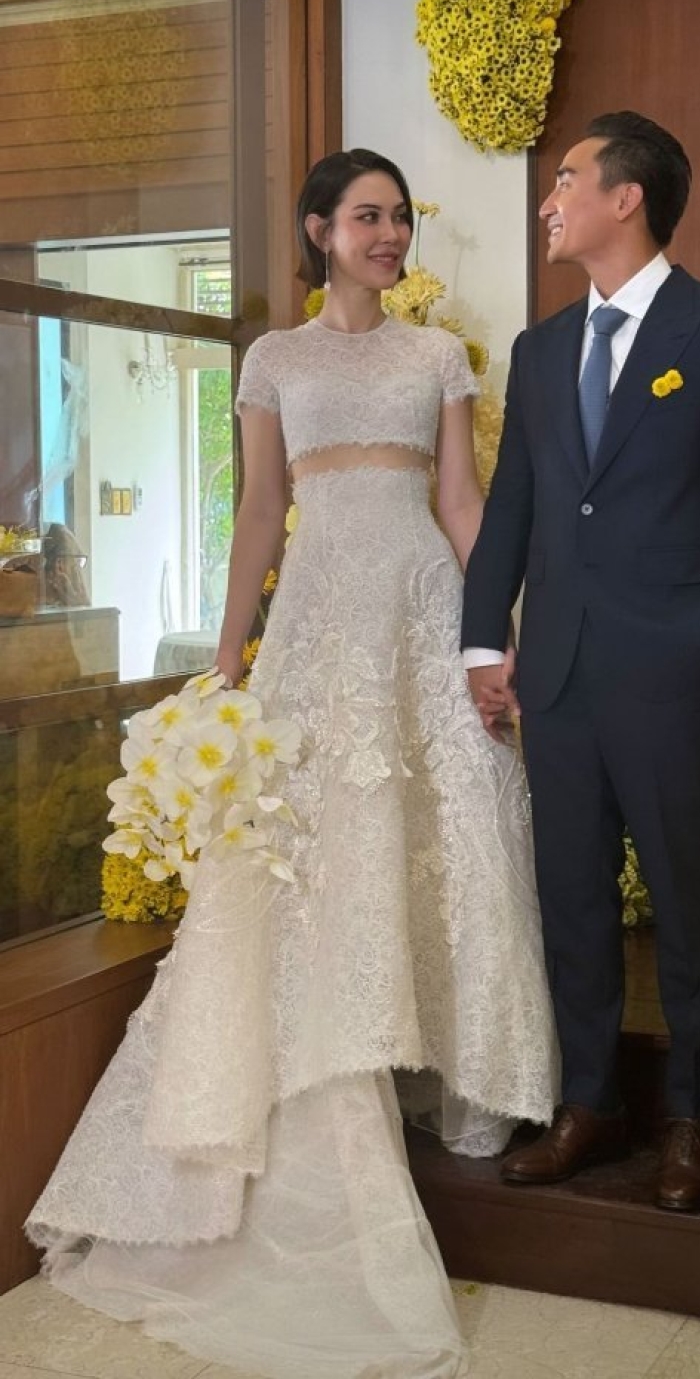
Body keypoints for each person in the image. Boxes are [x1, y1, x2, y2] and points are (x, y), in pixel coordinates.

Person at [27, 149, 558, 1379]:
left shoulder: (437, 356)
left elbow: (463, 504)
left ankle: (458, 1074)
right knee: (308, 843)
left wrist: (495, 632)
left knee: (455, 823)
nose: (389, 234)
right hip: (317, 617)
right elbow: (261, 511)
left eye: (399, 217)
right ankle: (324, 1054)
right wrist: (229, 658)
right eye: (366, 216)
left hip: (421, 609)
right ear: (319, 230)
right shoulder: (274, 359)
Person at [463, 111, 700, 1214]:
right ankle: (587, 1103)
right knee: (570, 900)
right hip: (555, 671)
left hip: (670, 667)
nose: (548, 198)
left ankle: (692, 1118)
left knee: (688, 907)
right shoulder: (540, 349)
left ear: (626, 197)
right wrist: (483, 640)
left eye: (566, 179)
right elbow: (512, 508)